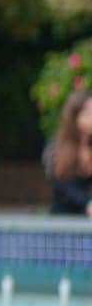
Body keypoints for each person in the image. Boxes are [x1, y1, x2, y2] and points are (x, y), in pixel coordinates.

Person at [44, 88, 92, 217]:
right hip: (63, 220)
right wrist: (87, 203)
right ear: (75, 118)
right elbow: (63, 187)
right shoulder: (55, 149)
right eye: (88, 114)